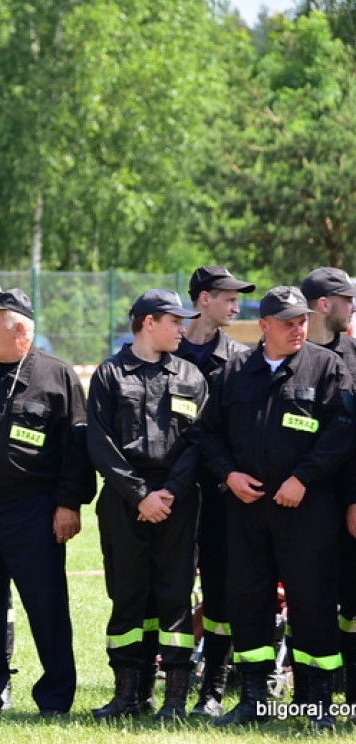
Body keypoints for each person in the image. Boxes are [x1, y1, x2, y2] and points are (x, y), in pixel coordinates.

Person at [201, 285, 353, 731]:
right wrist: (228, 474)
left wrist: (302, 479)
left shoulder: (328, 367)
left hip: (306, 509)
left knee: (312, 601)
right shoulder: (234, 371)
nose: (298, 329)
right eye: (287, 322)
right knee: (248, 601)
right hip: (248, 510)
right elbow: (208, 434)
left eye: (302, 320)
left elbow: (341, 432)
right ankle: (252, 697)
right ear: (263, 325)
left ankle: (319, 702)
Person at [0, 288, 95, 717]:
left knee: (46, 606)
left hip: (34, 510)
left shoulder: (57, 376)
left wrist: (69, 504)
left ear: (20, 328)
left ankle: (55, 698)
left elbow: (76, 449)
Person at [88, 289, 207, 722]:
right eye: (175, 321)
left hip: (178, 501)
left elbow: (198, 442)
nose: (183, 329)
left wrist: (169, 493)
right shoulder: (109, 375)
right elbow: (99, 443)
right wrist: (140, 495)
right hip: (125, 500)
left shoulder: (192, 377)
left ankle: (174, 696)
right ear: (149, 322)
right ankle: (128, 694)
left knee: (175, 596)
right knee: (128, 596)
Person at [174, 265, 255, 717]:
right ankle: (167, 682)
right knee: (168, 588)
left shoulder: (241, 360)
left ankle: (213, 689)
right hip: (176, 493)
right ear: (203, 299)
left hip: (223, 495)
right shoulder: (168, 349)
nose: (236, 305)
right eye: (228, 297)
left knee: (222, 591)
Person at [301, 267, 356, 713]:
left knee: (352, 597)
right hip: (300, 499)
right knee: (306, 594)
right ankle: (308, 688)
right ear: (325, 304)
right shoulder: (291, 354)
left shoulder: (354, 354)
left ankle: (349, 688)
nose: (353, 307)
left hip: (346, 498)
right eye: (347, 299)